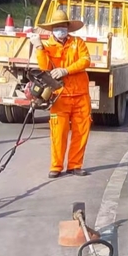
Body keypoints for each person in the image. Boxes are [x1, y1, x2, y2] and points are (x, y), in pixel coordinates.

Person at [28, 10, 92, 178]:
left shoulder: (78, 43)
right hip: (60, 96)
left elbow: (85, 60)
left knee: (81, 132)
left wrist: (66, 70)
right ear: (52, 29)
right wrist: (39, 48)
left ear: (68, 27)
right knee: (58, 133)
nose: (60, 29)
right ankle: (56, 166)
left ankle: (75, 165)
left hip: (80, 95)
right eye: (57, 27)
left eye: (63, 26)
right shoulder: (46, 46)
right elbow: (44, 68)